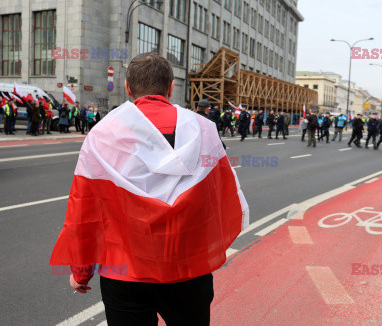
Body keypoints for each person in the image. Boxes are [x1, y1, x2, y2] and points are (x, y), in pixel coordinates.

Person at [50, 52, 249, 326]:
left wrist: (81, 272)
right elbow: (220, 200)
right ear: (170, 87)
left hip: (124, 272)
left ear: (128, 88)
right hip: (186, 269)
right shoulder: (203, 129)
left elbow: (84, 210)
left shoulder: (103, 133)